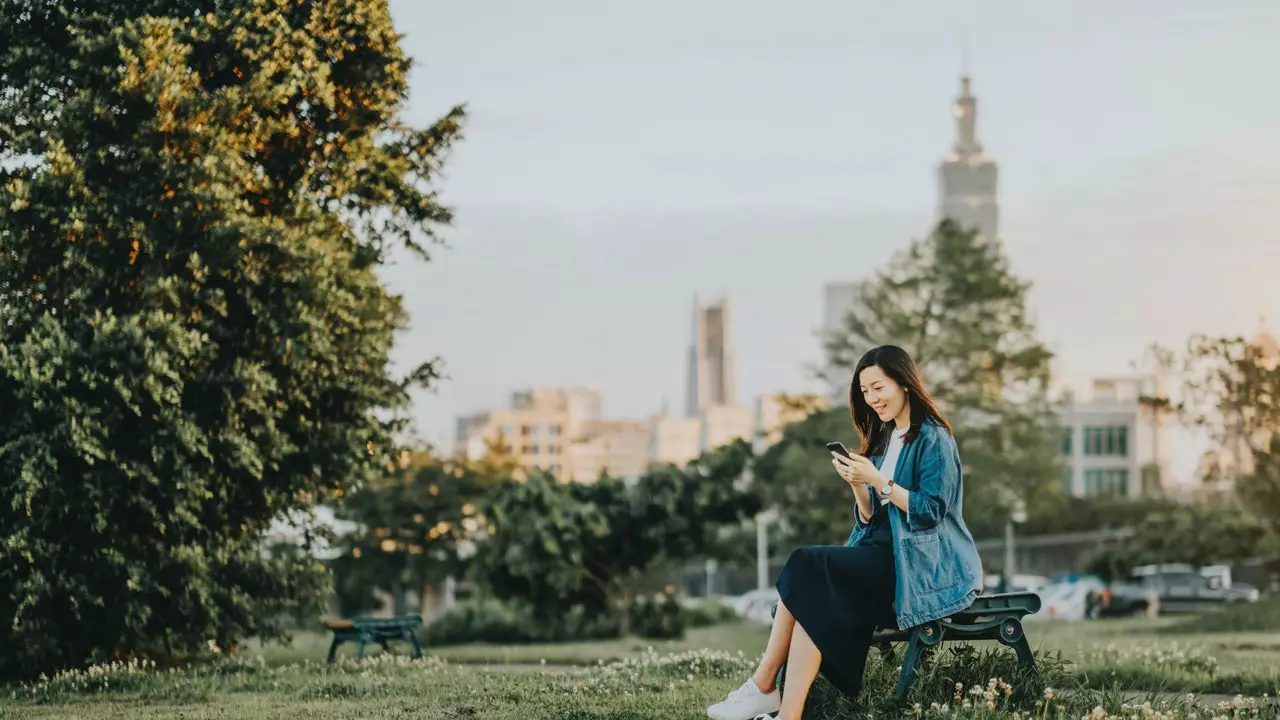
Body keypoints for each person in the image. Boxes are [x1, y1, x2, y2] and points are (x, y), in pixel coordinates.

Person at [706, 345, 984, 720]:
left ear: (904, 384)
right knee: (810, 590)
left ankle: (763, 685)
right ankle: (787, 713)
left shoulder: (933, 438)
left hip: (917, 566)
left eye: (878, 388)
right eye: (865, 391)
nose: (872, 399)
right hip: (879, 555)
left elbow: (931, 512)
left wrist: (878, 479)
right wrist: (858, 484)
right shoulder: (886, 439)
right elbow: (871, 520)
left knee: (807, 563)